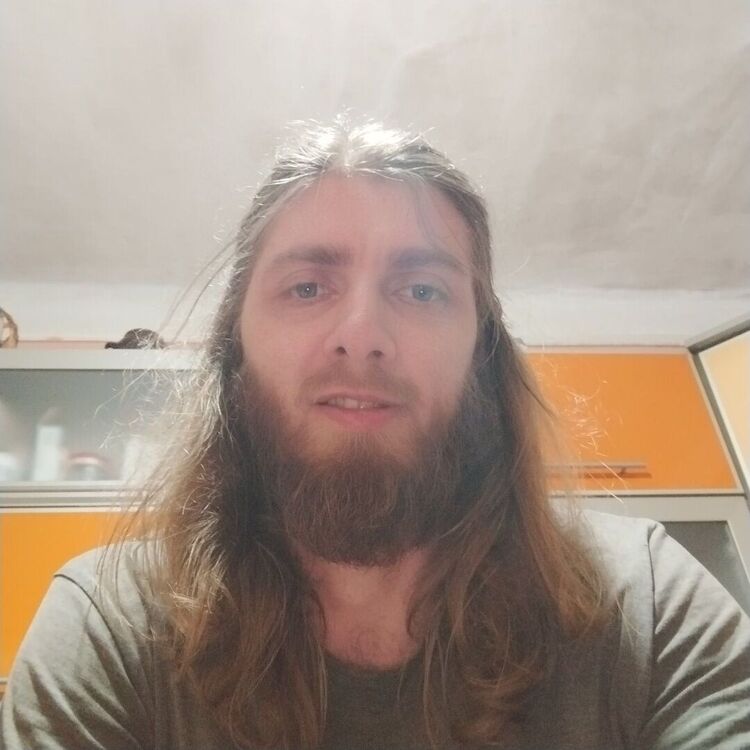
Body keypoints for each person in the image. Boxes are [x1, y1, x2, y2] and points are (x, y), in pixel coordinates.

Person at [1, 119, 749, 750]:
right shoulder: (107, 630)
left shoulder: (650, 606)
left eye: (422, 290)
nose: (361, 334)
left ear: (482, 355)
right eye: (307, 286)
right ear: (235, 350)